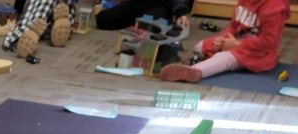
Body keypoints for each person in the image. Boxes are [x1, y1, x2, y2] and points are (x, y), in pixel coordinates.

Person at [160, 0, 288, 82]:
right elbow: (233, 25)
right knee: (201, 46)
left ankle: (196, 72)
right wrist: (222, 39)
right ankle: (202, 62)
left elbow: (268, 42)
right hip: (237, 42)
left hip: (258, 54)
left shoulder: (274, 7)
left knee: (224, 58)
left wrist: (237, 45)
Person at [95, 0, 191, 32]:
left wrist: (180, 13)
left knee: (148, 29)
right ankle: (135, 22)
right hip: (137, 3)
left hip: (159, 6)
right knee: (102, 20)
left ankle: (165, 23)